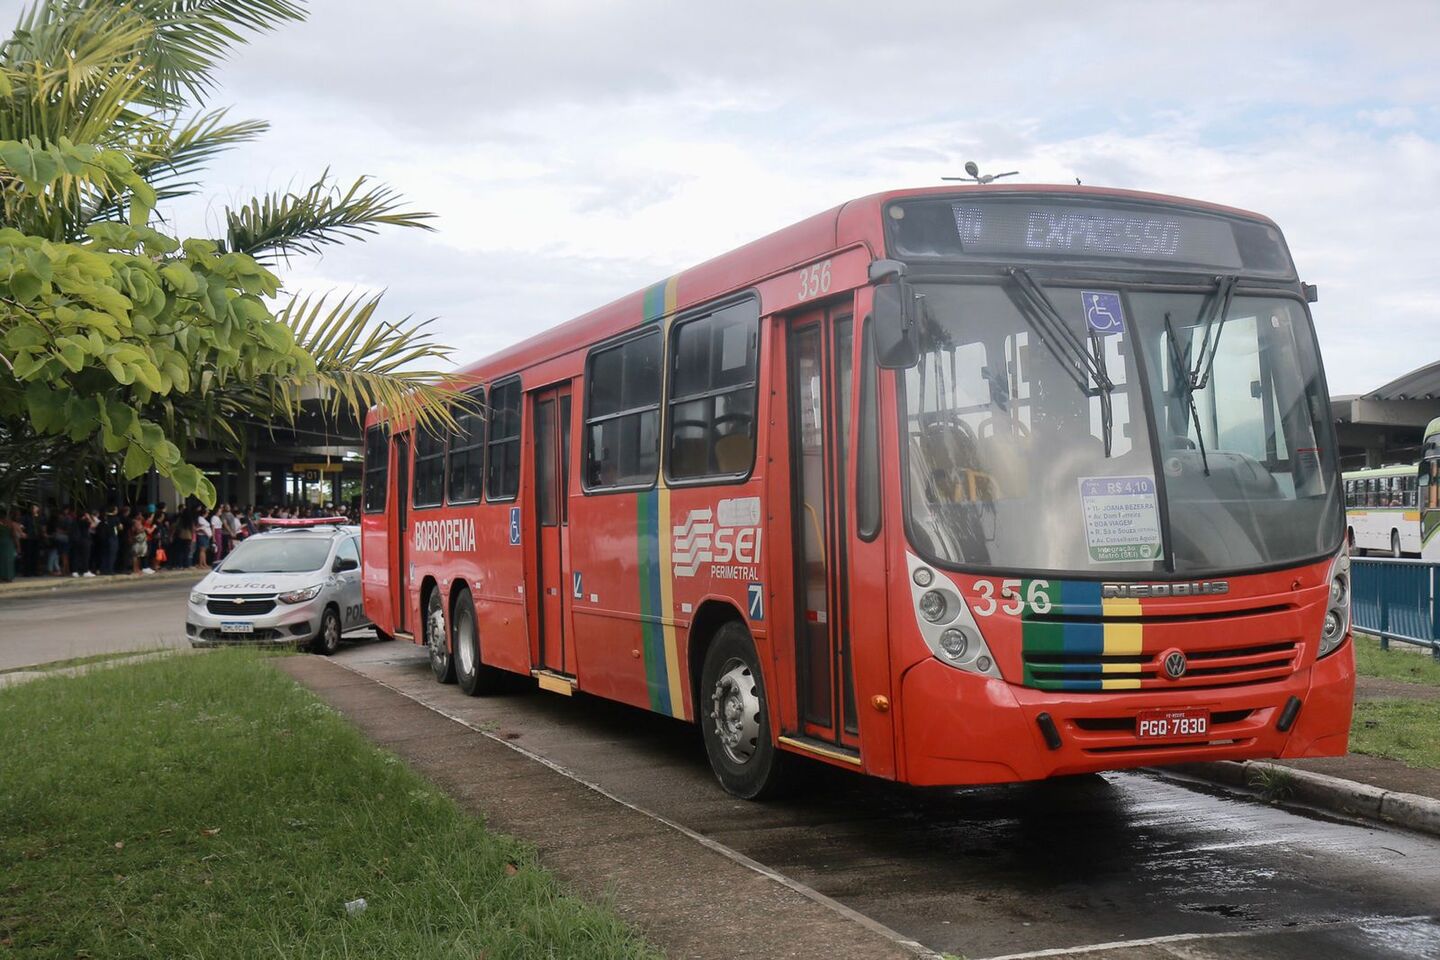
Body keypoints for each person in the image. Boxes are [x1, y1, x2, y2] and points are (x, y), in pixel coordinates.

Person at [0, 509, 18, 583]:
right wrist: (17, 545)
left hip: (1, 543)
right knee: (9, 561)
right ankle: (9, 577)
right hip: (9, 543)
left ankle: (2, 577)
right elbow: (13, 535)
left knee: (1, 560)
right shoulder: (10, 523)